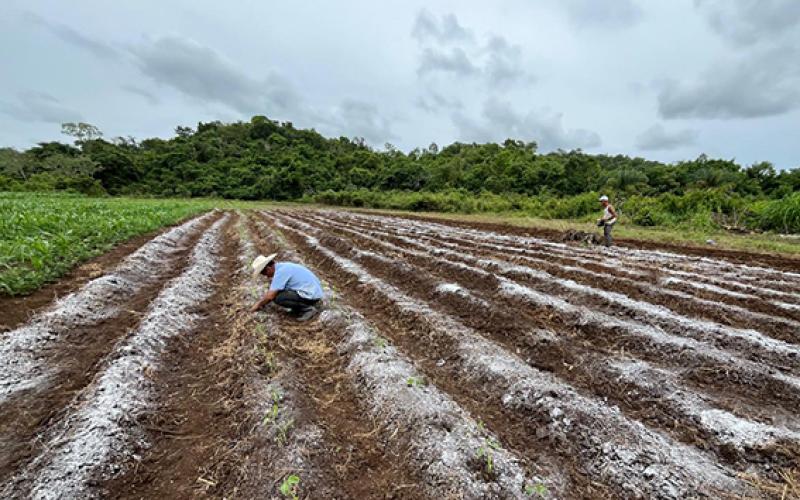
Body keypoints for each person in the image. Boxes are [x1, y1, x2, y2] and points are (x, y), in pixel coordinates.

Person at [250, 253, 324, 321]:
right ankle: (297, 309)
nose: (266, 276)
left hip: (311, 295)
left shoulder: (280, 272)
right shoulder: (284, 266)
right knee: (279, 292)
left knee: (278, 298)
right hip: (314, 292)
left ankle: (308, 309)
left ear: (268, 268)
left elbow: (270, 296)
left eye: (264, 273)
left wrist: (258, 304)